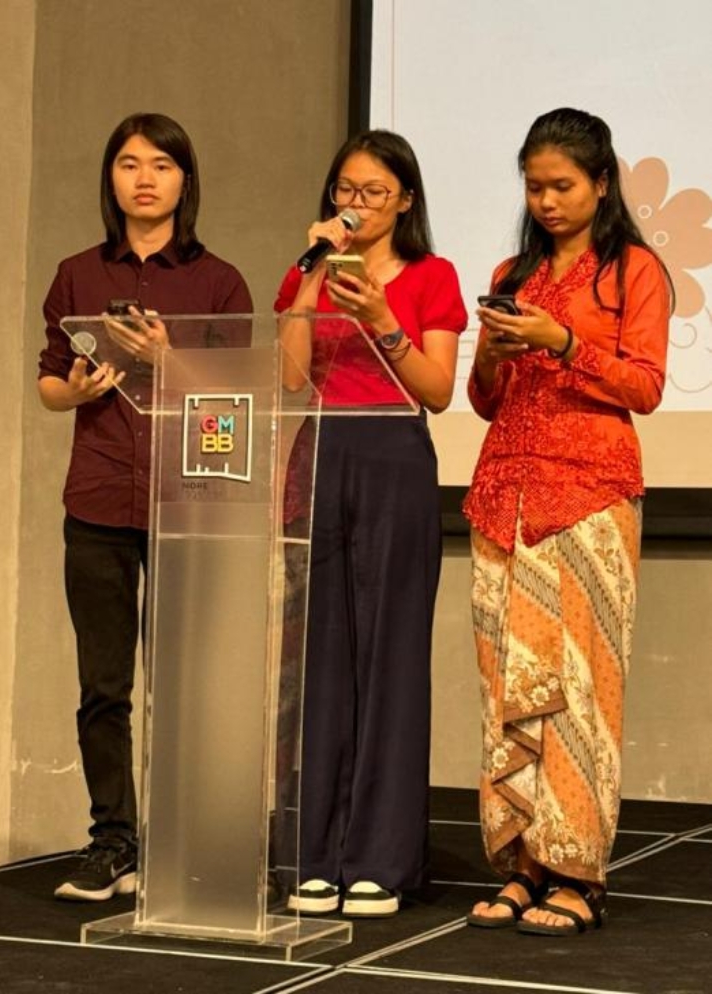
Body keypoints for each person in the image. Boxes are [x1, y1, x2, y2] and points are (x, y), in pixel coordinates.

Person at [463, 108, 671, 935]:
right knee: (509, 690)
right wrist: (493, 352)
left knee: (578, 693)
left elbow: (646, 387)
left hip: (587, 498)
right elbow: (483, 402)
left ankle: (576, 874)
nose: (545, 201)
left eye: (561, 186)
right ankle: (521, 862)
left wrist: (562, 341)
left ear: (601, 183)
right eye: (533, 185)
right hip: (500, 499)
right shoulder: (513, 271)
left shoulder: (632, 272)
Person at [38, 113, 252, 901]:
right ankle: (112, 844)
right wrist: (80, 389)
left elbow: (238, 402)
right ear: (112, 179)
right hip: (96, 498)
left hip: (187, 504)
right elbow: (50, 383)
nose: (144, 178)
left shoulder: (219, 282)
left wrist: (171, 360)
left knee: (187, 686)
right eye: (128, 164)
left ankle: (185, 841)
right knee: (104, 687)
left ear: (184, 181)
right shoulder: (77, 272)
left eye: (160, 164)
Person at [275, 129, 467, 917]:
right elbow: (290, 376)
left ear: (405, 201)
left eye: (372, 193)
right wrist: (312, 281)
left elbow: (436, 388)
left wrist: (383, 316)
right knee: (318, 658)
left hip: (392, 455)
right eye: (344, 192)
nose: (354, 207)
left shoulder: (432, 276)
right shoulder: (306, 270)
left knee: (388, 660)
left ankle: (378, 858)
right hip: (320, 452)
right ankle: (315, 852)